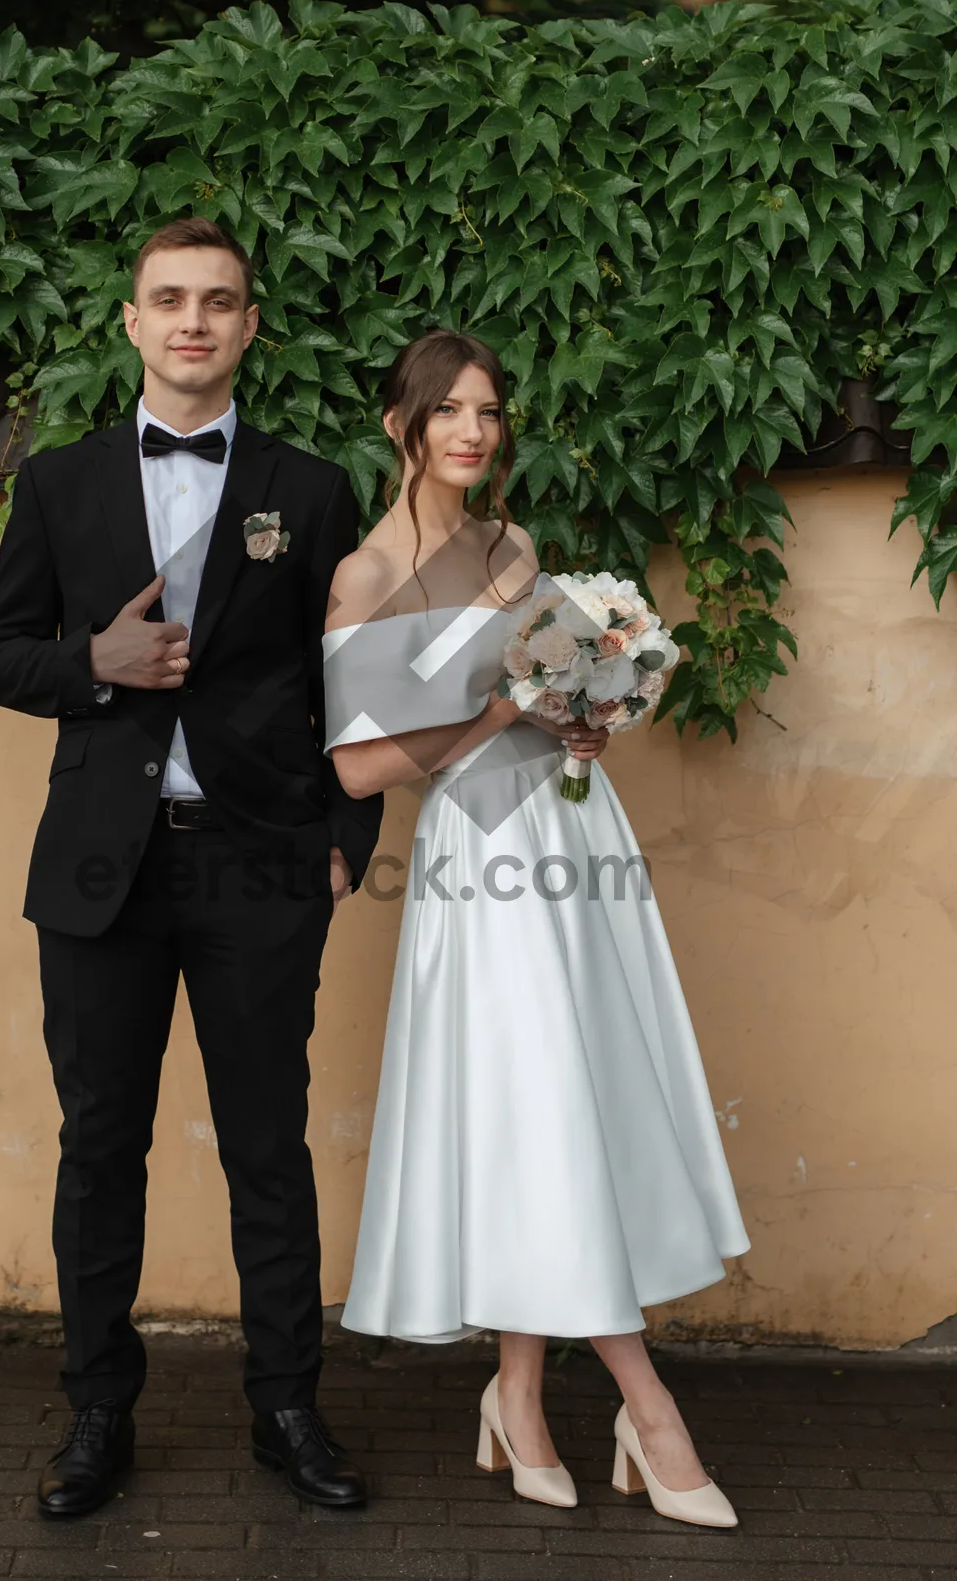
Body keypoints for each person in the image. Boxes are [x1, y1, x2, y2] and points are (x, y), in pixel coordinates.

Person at [0, 216, 383, 1518]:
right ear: (133, 322)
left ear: (249, 326)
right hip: (103, 873)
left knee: (267, 1144)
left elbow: (353, 682)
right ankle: (97, 1414)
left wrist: (344, 842)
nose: (193, 319)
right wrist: (90, 664)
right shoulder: (60, 484)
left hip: (262, 869)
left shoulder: (311, 491)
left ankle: (287, 1408)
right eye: (169, 299)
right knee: (102, 1146)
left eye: (218, 300)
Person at [322, 328, 750, 1530]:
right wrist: (501, 711)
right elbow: (359, 772)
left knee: (566, 1104)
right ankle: (647, 1405)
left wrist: (577, 720)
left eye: (491, 413)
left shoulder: (515, 545)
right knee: (543, 1101)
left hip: (574, 829)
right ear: (401, 424)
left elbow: (544, 700)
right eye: (448, 410)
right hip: (479, 855)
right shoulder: (361, 577)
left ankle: (517, 1394)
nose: (473, 431)